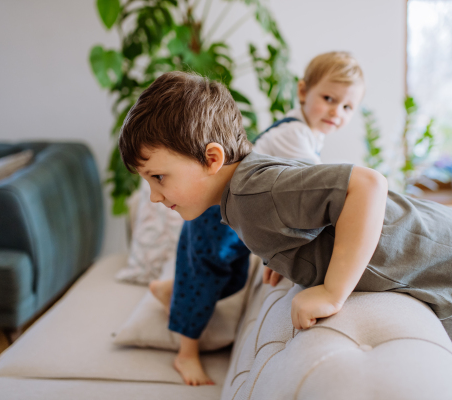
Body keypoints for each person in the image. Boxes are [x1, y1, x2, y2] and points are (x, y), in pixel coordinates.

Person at [119, 71, 452, 400]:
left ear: (212, 158)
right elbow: (310, 217)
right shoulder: (241, 196)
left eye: (159, 177)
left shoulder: (256, 191)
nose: (155, 196)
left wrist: (332, 292)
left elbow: (366, 185)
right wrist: (283, 257)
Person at [147, 52, 365, 386]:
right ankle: (185, 353)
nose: (337, 112)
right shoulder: (294, 134)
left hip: (241, 215)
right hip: (216, 215)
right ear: (303, 92)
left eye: (348, 107)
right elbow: (312, 190)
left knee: (231, 279)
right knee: (203, 278)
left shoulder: (309, 134)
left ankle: (169, 291)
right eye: (328, 99)